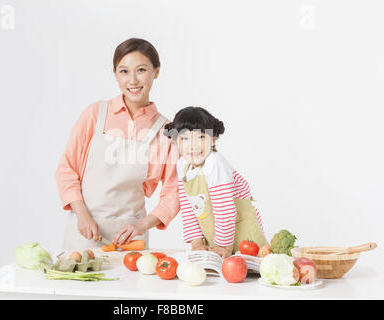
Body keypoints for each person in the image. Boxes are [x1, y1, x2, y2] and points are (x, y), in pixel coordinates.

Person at [56, 38, 180, 250]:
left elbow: (174, 192)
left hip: (132, 237)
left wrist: (142, 226)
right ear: (115, 74)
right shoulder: (95, 114)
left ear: (156, 72)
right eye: (124, 71)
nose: (132, 80)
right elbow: (67, 170)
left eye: (141, 70)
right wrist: (83, 216)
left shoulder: (167, 131)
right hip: (84, 231)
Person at [163, 107, 268, 258]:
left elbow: (225, 210)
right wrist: (197, 243)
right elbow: (188, 208)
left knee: (248, 273)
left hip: (244, 238)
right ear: (175, 142)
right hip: (216, 241)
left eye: (201, 137)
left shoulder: (215, 163)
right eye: (184, 138)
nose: (193, 146)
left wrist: (223, 246)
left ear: (212, 139)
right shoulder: (182, 165)